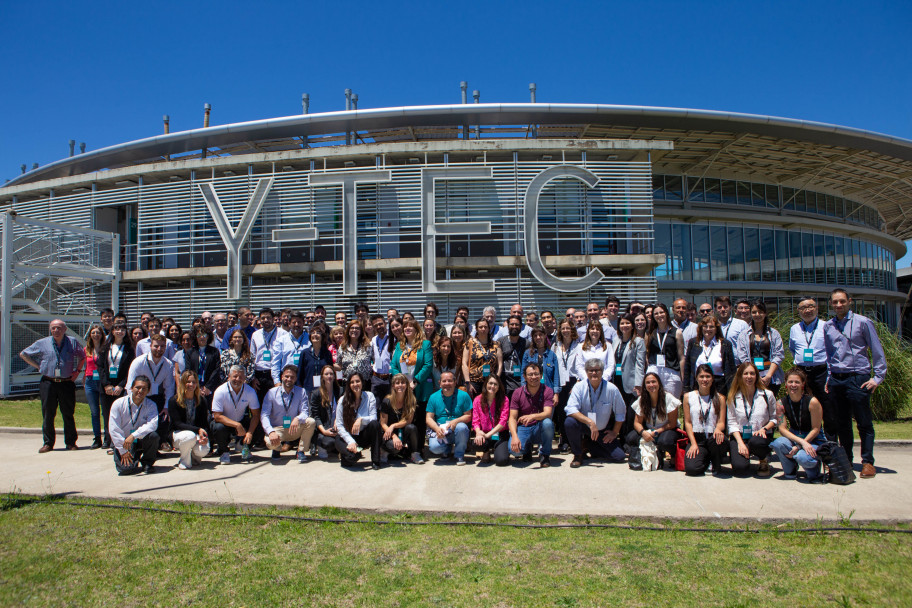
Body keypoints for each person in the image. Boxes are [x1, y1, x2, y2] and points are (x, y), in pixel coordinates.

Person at [823, 288, 886, 479]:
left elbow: (876, 350)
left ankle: (867, 461)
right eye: (835, 302)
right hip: (837, 378)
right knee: (842, 423)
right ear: (831, 304)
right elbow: (828, 354)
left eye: (842, 301)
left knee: (863, 421)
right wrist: (828, 377)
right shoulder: (828, 326)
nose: (838, 305)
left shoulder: (863, 322)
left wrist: (877, 377)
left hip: (858, 377)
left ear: (849, 301)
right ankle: (847, 459)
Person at [20, 318, 86, 452]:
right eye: (53, 328)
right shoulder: (42, 343)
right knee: (48, 413)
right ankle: (48, 443)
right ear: (50, 329)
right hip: (48, 382)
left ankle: (71, 442)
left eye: (59, 328)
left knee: (68, 413)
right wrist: (38, 367)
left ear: (65, 329)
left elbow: (83, 356)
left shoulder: (72, 342)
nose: (56, 330)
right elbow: (24, 354)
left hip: (66, 382)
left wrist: (77, 371)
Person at [564, 358, 627, 467]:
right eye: (590, 370)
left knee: (620, 456)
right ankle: (578, 454)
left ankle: (589, 446)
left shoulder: (612, 389)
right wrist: (590, 422)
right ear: (586, 372)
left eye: (597, 370)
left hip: (602, 430)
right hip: (585, 426)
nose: (594, 373)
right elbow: (570, 409)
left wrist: (614, 432)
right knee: (570, 422)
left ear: (602, 372)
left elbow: (621, 412)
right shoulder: (579, 387)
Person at [788, 297, 834, 437]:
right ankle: (807, 439)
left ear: (817, 308)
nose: (807, 310)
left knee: (827, 408)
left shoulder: (827, 326)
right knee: (803, 407)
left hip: (821, 371)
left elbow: (832, 349)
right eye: (803, 308)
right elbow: (792, 349)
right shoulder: (795, 328)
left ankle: (830, 443)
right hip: (802, 372)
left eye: (810, 306)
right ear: (798, 311)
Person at [771, 368, 827, 482]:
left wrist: (801, 445)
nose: (793, 385)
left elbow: (816, 429)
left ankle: (814, 471)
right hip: (795, 436)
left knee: (802, 456)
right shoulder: (780, 403)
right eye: (790, 382)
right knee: (778, 444)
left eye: (797, 382)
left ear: (803, 384)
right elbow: (782, 429)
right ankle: (790, 469)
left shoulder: (812, 402)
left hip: (813, 438)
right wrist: (800, 443)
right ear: (786, 384)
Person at [727, 362, 777, 477]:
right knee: (740, 468)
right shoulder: (733, 397)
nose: (749, 377)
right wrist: (740, 443)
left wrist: (764, 429)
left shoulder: (767, 395)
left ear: (757, 376)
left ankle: (763, 459)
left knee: (756, 442)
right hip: (741, 436)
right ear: (740, 376)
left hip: (760, 436)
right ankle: (745, 453)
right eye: (745, 374)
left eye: (752, 374)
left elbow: (774, 419)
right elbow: (732, 423)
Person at [126, 333, 176, 450]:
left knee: (159, 422)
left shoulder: (168, 364)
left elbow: (169, 388)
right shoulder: (138, 362)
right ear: (150, 346)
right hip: (139, 397)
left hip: (157, 397)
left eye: (162, 346)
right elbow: (130, 385)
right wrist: (133, 404)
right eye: (156, 346)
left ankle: (155, 447)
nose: (159, 349)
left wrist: (166, 406)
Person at [261, 364, 316, 462]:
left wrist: (297, 418)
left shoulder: (301, 392)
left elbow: (305, 412)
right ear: (282, 377)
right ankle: (276, 449)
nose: (289, 379)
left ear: (295, 379)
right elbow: (264, 415)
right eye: (286, 376)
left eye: (292, 377)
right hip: (278, 429)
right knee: (270, 442)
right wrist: (271, 431)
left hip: (293, 428)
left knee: (310, 422)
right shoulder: (271, 393)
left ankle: (301, 451)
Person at [390, 319, 434, 441]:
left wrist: (415, 382)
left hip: (420, 387)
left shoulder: (425, 344)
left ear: (416, 330)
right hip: (403, 389)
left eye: (411, 327)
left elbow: (428, 365)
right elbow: (393, 365)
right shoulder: (400, 345)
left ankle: (418, 449)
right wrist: (401, 382)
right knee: (404, 418)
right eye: (405, 327)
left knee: (419, 419)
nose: (407, 329)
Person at [625, 371, 680, 468]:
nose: (651, 385)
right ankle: (651, 453)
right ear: (644, 385)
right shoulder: (642, 399)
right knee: (631, 438)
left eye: (654, 382)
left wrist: (656, 432)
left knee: (665, 442)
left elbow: (672, 423)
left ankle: (673, 455)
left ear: (659, 383)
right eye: (648, 383)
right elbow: (637, 423)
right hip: (649, 430)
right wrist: (643, 433)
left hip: (666, 429)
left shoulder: (669, 398)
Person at [682, 364, 728, 476]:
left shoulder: (720, 398)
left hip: (714, 438)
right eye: (701, 376)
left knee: (717, 441)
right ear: (696, 378)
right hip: (698, 438)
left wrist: (718, 429)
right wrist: (693, 443)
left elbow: (722, 421)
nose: (704, 379)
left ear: (712, 379)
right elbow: (687, 422)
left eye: (708, 376)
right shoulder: (688, 396)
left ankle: (715, 460)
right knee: (692, 469)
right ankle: (706, 458)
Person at [108, 375, 160, 475]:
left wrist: (134, 435)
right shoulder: (118, 404)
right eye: (138, 387)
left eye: (144, 389)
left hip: (139, 439)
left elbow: (153, 425)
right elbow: (114, 429)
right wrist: (123, 451)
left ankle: (147, 462)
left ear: (148, 391)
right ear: (131, 388)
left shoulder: (151, 405)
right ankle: (133, 456)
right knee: (125, 470)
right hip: (124, 442)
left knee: (154, 436)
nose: (140, 391)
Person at [210, 365, 260, 464]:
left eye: (241, 377)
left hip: (241, 419)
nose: (237, 379)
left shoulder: (250, 391)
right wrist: (236, 425)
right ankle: (224, 451)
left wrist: (249, 432)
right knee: (217, 427)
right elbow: (217, 416)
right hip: (225, 423)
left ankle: (243, 446)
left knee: (259, 426)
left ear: (245, 378)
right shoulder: (220, 391)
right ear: (229, 377)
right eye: (235, 376)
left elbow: (256, 415)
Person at [508, 362, 555, 467]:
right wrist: (515, 436)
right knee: (515, 451)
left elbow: (548, 413)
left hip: (539, 427)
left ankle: (545, 455)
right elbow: (512, 418)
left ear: (541, 375)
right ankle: (527, 448)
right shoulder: (517, 392)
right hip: (523, 427)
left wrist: (532, 416)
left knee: (548, 423)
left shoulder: (548, 391)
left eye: (536, 374)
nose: (534, 377)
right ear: (524, 376)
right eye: (530, 374)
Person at [98, 322, 135, 450]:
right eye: (117, 329)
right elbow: (101, 368)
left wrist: (120, 386)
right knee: (108, 415)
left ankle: (118, 443)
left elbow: (130, 370)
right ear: (112, 331)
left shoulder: (129, 349)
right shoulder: (105, 348)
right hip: (107, 387)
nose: (120, 331)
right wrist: (106, 385)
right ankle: (108, 440)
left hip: (121, 387)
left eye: (123, 329)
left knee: (121, 416)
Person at [335, 372, 382, 469]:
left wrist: (361, 419)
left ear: (362, 383)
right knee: (351, 458)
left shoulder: (369, 396)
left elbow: (374, 417)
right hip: (347, 436)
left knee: (375, 425)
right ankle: (352, 453)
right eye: (352, 382)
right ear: (349, 385)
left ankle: (376, 461)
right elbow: (339, 425)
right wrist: (351, 442)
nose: (355, 384)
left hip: (363, 435)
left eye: (357, 381)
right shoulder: (342, 400)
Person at [425, 371, 473, 465]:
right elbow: (429, 418)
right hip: (441, 430)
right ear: (439, 383)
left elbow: (469, 416)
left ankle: (459, 455)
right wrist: (436, 429)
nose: (447, 383)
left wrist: (456, 420)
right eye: (444, 381)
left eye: (450, 381)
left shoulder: (464, 396)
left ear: (455, 382)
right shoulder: (433, 397)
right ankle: (446, 450)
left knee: (462, 427)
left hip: (457, 431)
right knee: (434, 448)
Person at [739, 300, 785, 397]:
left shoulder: (773, 333)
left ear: (765, 313)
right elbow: (743, 357)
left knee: (770, 405)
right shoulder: (744, 335)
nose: (757, 314)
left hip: (771, 377)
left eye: (760, 312)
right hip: (751, 377)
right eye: (754, 312)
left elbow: (779, 355)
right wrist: (755, 376)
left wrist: (768, 376)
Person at [682, 315, 737, 396]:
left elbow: (732, 369)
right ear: (701, 328)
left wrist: (732, 390)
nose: (708, 329)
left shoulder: (725, 344)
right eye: (705, 326)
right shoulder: (694, 343)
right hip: (698, 385)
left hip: (719, 386)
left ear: (716, 329)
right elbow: (687, 367)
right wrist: (686, 388)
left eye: (711, 327)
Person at [168, 371, 210, 470]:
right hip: (179, 433)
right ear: (182, 383)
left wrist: (204, 436)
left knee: (203, 449)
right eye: (188, 382)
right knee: (189, 436)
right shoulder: (174, 400)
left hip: (196, 432)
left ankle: (194, 457)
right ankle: (184, 460)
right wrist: (198, 430)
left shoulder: (201, 400)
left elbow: (204, 422)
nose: (191, 384)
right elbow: (177, 424)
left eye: (194, 382)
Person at [379, 373, 424, 464]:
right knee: (395, 448)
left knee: (412, 427)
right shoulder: (387, 401)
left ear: (407, 385)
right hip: (388, 433)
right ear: (393, 386)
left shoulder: (411, 400)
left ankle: (414, 454)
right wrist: (393, 435)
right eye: (397, 383)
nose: (400, 385)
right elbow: (383, 423)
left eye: (403, 383)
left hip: (402, 430)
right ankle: (384, 450)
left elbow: (409, 420)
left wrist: (394, 425)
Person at [551, 318, 580, 453]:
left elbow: (582, 366)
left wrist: (579, 382)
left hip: (575, 382)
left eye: (568, 328)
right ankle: (565, 441)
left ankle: (577, 440)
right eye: (563, 328)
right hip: (560, 382)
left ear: (572, 329)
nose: (565, 331)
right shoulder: (555, 346)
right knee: (561, 413)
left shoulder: (579, 345)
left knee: (574, 412)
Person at [644, 303, 684, 399]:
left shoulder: (677, 332)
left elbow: (681, 357)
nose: (659, 315)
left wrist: (683, 378)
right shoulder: (649, 333)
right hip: (654, 371)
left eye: (661, 312)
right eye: (656, 313)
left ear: (666, 313)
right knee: (654, 403)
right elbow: (646, 354)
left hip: (671, 372)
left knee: (672, 404)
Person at [249, 307, 287, 403]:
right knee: (260, 404)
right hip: (260, 375)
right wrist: (253, 378)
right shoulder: (255, 334)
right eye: (263, 318)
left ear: (273, 318)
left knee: (277, 403)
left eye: (268, 318)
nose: (265, 320)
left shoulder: (283, 334)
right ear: (259, 319)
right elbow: (251, 357)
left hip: (276, 374)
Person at [471, 374, 510, 466]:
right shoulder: (477, 400)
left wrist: (488, 435)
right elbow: (475, 420)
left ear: (499, 387)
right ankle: (486, 451)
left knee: (502, 460)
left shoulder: (504, 399)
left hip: (499, 433)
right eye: (490, 383)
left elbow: (503, 421)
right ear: (486, 384)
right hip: (484, 432)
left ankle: (498, 450)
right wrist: (478, 433)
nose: (492, 386)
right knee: (476, 444)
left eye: (495, 384)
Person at [612, 314, 646, 408]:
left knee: (630, 414)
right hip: (617, 380)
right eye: (622, 323)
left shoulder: (638, 341)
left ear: (632, 325)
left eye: (627, 323)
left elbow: (640, 364)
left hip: (631, 384)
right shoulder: (616, 340)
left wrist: (639, 384)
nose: (625, 325)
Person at [463, 318, 502, 398]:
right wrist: (468, 382)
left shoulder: (496, 345)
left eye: (485, 327)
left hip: (490, 384)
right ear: (477, 329)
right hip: (474, 383)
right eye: (480, 327)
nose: (483, 329)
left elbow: (500, 365)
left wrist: (496, 381)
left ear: (489, 328)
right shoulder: (470, 343)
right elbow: (464, 363)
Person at [270, 310, 310, 385]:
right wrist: (277, 381)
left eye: (299, 322)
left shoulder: (310, 339)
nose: (297, 324)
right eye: (294, 322)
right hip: (288, 378)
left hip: (305, 378)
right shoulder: (281, 340)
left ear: (303, 323)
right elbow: (275, 363)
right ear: (289, 323)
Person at [83, 324, 106, 449]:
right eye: (93, 333)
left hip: (102, 381)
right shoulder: (86, 350)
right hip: (90, 381)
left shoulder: (106, 349)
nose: (96, 335)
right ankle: (97, 438)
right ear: (90, 335)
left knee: (105, 412)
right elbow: (83, 365)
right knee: (94, 412)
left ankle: (108, 437)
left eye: (98, 333)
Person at [335, 320, 373, 390]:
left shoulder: (367, 346)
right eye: (352, 328)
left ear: (361, 331)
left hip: (365, 383)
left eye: (357, 328)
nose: (354, 330)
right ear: (348, 330)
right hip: (348, 383)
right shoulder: (343, 347)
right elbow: (339, 365)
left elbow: (374, 360)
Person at [521, 328, 558, 397]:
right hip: (531, 392)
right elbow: (523, 373)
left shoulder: (552, 355)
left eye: (540, 335)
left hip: (548, 392)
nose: (538, 337)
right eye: (535, 335)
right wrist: (523, 388)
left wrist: (556, 393)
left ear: (545, 335)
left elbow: (556, 376)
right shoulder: (527, 354)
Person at [297, 325, 333, 394]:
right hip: (308, 390)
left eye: (318, 333)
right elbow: (300, 374)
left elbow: (331, 373)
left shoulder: (327, 353)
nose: (315, 335)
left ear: (322, 337)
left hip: (324, 390)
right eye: (313, 333)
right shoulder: (304, 353)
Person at [498, 315, 527, 398]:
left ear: (521, 326)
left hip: (519, 385)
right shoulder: (500, 342)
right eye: (512, 324)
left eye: (517, 325)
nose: (514, 326)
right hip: (503, 385)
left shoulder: (526, 343)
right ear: (508, 325)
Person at [715, 296, 750, 364]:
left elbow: (748, 348)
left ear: (730, 308)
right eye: (720, 307)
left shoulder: (741, 324)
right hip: (718, 367)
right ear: (716, 309)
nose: (723, 309)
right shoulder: (712, 326)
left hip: (737, 366)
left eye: (725, 307)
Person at [193, 328, 221, 404]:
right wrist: (197, 388)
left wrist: (208, 386)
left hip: (210, 388)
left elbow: (217, 369)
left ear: (208, 337)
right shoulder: (191, 352)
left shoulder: (214, 351)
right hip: (194, 388)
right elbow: (189, 370)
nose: (202, 337)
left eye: (204, 335)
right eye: (199, 335)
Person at [369, 314, 392, 402]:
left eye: (380, 324)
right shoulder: (374, 340)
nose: (378, 327)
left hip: (389, 378)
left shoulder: (392, 337)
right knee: (375, 405)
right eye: (375, 325)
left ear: (385, 323)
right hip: (376, 378)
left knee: (389, 405)